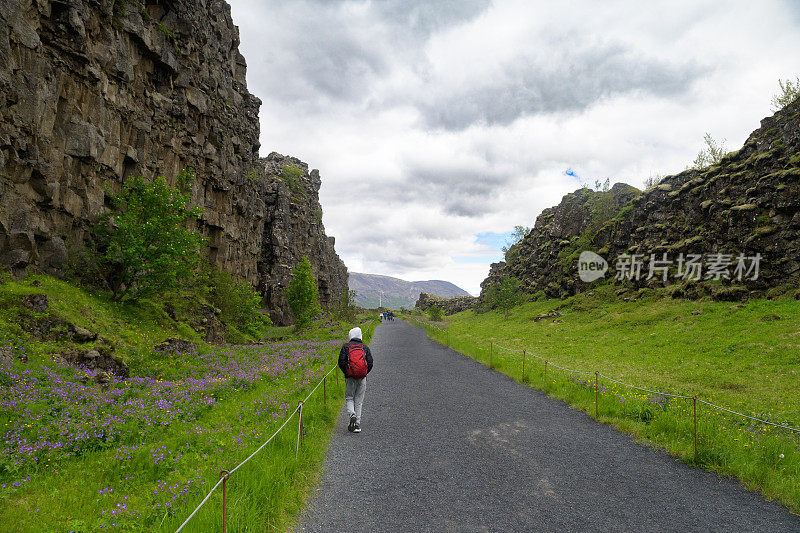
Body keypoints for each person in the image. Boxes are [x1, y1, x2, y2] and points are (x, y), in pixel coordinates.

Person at [338, 326, 373, 433]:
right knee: (359, 401)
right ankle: (357, 425)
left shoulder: (346, 347)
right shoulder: (365, 347)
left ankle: (352, 414)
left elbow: (341, 362)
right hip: (362, 377)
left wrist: (347, 373)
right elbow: (370, 363)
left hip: (350, 377)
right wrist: (363, 373)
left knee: (349, 397)